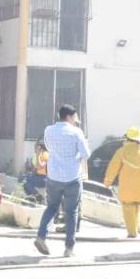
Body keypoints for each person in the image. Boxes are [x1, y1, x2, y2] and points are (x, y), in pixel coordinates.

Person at [33, 104, 90, 258]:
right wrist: (74, 158)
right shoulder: (77, 132)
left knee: (51, 207)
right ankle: (69, 248)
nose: (76, 120)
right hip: (72, 177)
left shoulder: (48, 130)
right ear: (69, 117)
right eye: (75, 117)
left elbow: (49, 148)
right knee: (71, 212)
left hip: (53, 176)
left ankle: (41, 236)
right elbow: (86, 154)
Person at [103, 126, 140, 239]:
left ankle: (132, 232)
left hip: (127, 186)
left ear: (127, 138)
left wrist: (108, 181)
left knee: (128, 207)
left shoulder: (122, 151)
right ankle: (134, 229)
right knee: (136, 206)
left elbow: (113, 167)